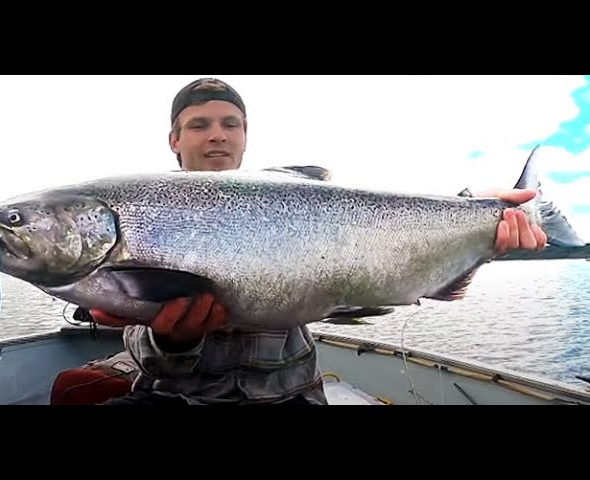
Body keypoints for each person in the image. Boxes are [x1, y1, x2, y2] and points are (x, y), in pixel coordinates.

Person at [50, 77, 547, 406]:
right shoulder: (140, 204)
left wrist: (474, 211)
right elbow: (139, 333)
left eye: (230, 124)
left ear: (245, 136)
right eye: (198, 125)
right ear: (174, 141)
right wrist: (174, 338)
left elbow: (387, 225)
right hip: (175, 395)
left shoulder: (298, 197)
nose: (216, 135)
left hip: (287, 395)